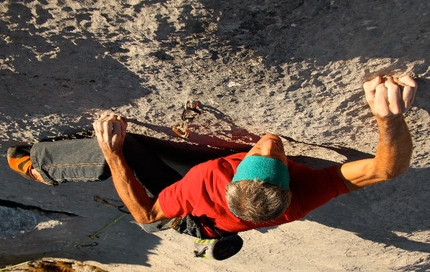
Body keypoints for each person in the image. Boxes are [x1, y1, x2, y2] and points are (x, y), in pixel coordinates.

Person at [7, 75, 417, 259]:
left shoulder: (196, 189)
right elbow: (385, 170)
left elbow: (146, 215)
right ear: (231, 182)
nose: (271, 143)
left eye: (264, 155)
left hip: (179, 215)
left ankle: (41, 168)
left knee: (121, 149)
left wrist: (111, 152)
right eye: (266, 156)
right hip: (195, 204)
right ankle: (53, 165)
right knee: (126, 148)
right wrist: (390, 117)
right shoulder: (304, 194)